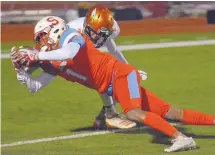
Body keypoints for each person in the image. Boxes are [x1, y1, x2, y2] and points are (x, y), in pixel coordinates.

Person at [11, 15, 215, 152]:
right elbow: (35, 86)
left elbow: (69, 52)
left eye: (42, 36)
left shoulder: (72, 36)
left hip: (120, 75)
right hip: (114, 85)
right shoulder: (53, 61)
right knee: (171, 112)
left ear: (54, 29)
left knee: (132, 112)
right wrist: (21, 72)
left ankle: (181, 138)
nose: (41, 41)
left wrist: (37, 54)